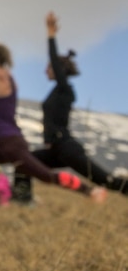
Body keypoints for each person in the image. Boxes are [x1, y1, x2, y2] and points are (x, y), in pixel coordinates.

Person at [0, 5, 106, 202]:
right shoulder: (4, 78)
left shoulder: (1, 78)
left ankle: (90, 192)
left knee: (47, 176)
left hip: (11, 144)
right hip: (6, 144)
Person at [12, 12, 128, 201]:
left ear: (59, 70)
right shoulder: (57, 91)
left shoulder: (65, 89)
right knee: (22, 163)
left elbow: (56, 64)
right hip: (55, 150)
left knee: (105, 180)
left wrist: (50, 34)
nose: (45, 70)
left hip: (67, 148)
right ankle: (22, 202)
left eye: (49, 67)